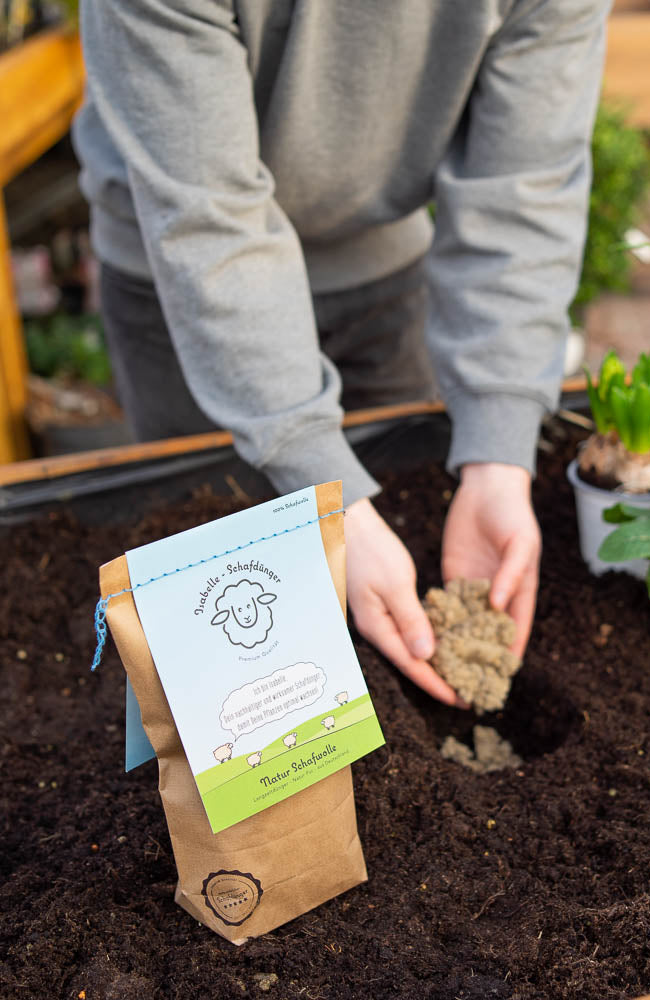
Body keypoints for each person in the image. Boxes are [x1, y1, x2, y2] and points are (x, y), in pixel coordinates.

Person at [72, 0, 609, 705]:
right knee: (229, 639)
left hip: (383, 263)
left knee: (385, 587)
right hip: (184, 286)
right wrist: (329, 492)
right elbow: (210, 221)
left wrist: (498, 458)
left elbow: (523, 191)